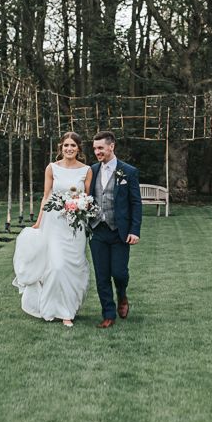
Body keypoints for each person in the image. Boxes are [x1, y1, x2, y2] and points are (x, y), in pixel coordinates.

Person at [12, 132, 92, 327]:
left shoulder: (86, 170)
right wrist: (39, 222)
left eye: (73, 145)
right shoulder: (52, 168)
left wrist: (80, 205)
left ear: (79, 148)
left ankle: (69, 310)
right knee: (56, 266)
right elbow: (46, 196)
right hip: (54, 223)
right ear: (61, 148)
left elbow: (88, 198)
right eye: (66, 145)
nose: (69, 149)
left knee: (74, 267)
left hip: (76, 226)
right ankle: (54, 309)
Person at [89, 131, 142, 328]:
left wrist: (134, 230)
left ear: (111, 147)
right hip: (98, 230)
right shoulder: (92, 170)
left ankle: (122, 295)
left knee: (119, 273)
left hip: (119, 231)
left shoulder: (128, 171)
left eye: (100, 148)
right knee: (101, 275)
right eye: (95, 149)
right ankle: (108, 314)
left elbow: (136, 203)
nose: (97, 152)